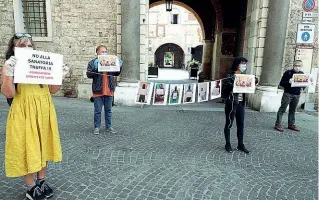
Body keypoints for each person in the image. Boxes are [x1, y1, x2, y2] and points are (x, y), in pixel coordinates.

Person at [1, 33, 68, 200]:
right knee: (27, 148)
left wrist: (59, 75)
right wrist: (8, 72)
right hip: (24, 112)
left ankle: (41, 181)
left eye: (29, 45)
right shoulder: (10, 66)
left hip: (44, 110)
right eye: (23, 46)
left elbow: (52, 90)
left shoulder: (40, 64)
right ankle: (31, 187)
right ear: (14, 49)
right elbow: (9, 93)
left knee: (43, 146)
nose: (27, 48)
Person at [222, 56, 259, 154]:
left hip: (241, 104)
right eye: (242, 63)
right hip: (231, 103)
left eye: (245, 64)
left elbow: (254, 84)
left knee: (241, 124)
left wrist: (254, 80)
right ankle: (228, 144)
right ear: (236, 64)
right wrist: (232, 82)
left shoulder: (245, 76)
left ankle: (240, 144)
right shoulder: (229, 75)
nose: (244, 65)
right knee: (229, 124)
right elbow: (224, 90)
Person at [86, 45, 122, 135]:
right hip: (98, 90)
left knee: (108, 110)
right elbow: (89, 75)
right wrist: (95, 67)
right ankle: (97, 127)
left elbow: (116, 73)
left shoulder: (110, 61)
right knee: (97, 111)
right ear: (97, 52)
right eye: (102, 52)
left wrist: (119, 66)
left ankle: (108, 127)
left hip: (109, 90)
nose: (104, 53)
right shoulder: (92, 62)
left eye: (105, 51)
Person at [274, 60, 308, 132]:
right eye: (296, 65)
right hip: (288, 93)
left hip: (297, 94)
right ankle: (278, 124)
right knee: (282, 108)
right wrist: (289, 82)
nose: (297, 67)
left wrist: (308, 82)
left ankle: (291, 124)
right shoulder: (288, 73)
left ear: (301, 66)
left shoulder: (302, 74)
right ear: (293, 65)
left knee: (293, 110)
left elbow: (303, 85)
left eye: (299, 66)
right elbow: (281, 83)